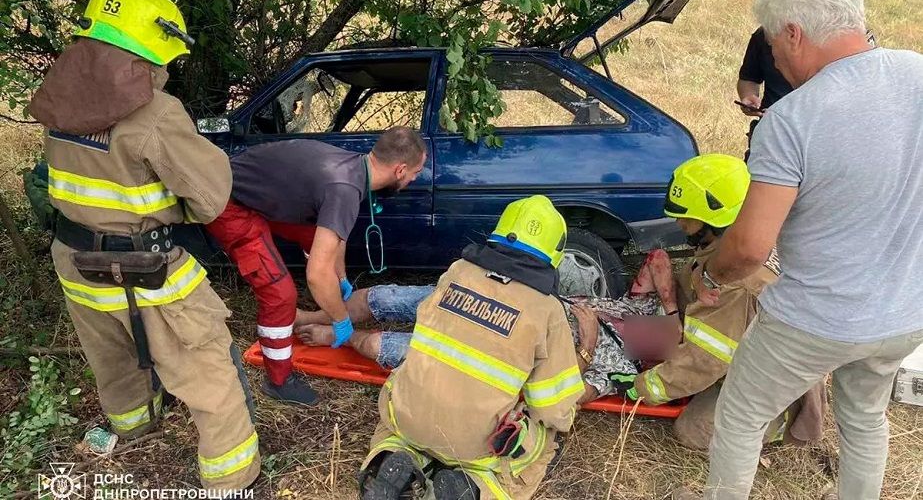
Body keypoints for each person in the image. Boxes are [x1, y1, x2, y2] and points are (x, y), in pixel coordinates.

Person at [299, 155, 824, 452]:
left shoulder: (726, 300)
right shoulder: (714, 263)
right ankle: (337, 314)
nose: (681, 227)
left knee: (445, 345)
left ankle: (341, 332)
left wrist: (603, 353)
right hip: (565, 311)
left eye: (687, 219)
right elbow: (686, 324)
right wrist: (657, 295)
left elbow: (688, 365)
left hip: (732, 365)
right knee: (434, 298)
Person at [26, 0, 259, 492]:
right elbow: (211, 194)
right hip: (146, 268)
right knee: (207, 364)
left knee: (112, 357)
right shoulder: (156, 113)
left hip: (75, 261)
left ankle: (135, 430)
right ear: (150, 50)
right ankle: (231, 476)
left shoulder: (59, 99)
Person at [696, 0, 923, 498]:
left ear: (794, 34)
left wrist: (710, 275)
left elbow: (752, 248)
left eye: (774, 49)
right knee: (865, 418)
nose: (774, 62)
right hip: (907, 313)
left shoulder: (792, 119)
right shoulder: (918, 71)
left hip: (816, 321)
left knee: (742, 415)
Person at [357, 195, 583, 500]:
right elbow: (553, 408)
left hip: (408, 413)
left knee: (395, 429)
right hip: (474, 443)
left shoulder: (457, 272)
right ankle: (474, 487)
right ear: (554, 253)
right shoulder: (547, 310)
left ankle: (391, 456)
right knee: (544, 442)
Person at [205, 128, 427, 406]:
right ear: (400, 170)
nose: (415, 179)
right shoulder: (345, 188)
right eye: (416, 173)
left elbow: (335, 233)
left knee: (317, 240)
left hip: (254, 193)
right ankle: (278, 381)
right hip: (229, 203)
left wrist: (341, 278)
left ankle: (311, 310)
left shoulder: (355, 167)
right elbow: (316, 274)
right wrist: (341, 321)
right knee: (280, 294)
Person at [737, 27, 794, 161]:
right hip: (770, 136)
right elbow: (749, 78)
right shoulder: (765, 33)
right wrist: (749, 96)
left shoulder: (834, 38)